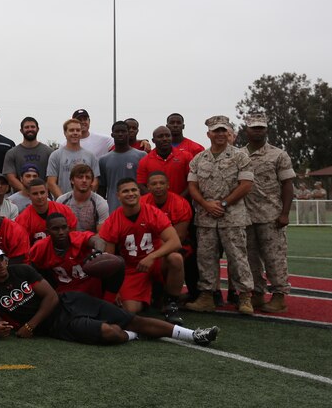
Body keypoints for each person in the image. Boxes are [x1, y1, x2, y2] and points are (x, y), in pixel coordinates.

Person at [0, 245, 218, 347]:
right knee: (111, 332)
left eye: (1, 258)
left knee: (131, 318)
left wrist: (30, 325)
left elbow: (50, 297)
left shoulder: (21, 270)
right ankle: (134, 336)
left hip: (69, 301)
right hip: (59, 325)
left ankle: (193, 335)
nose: (1, 264)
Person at [184, 115, 255, 315]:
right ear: (209, 134)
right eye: (216, 131)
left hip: (232, 217)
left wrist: (223, 203)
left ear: (229, 132)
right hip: (206, 219)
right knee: (206, 258)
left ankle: (244, 297)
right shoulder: (199, 159)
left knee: (238, 258)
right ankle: (207, 296)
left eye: (224, 130)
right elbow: (192, 186)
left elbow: (246, 185)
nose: (220, 134)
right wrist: (206, 204)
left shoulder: (240, 156)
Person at [100, 178, 186, 322]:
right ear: (118, 196)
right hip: (133, 269)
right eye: (125, 191)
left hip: (155, 262)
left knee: (176, 258)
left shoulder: (153, 213)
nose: (130, 194)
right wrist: (116, 289)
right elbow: (110, 259)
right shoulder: (113, 220)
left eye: (133, 190)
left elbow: (175, 242)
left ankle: (171, 303)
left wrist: (152, 257)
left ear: (139, 193)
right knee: (129, 310)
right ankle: (153, 294)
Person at [243, 113, 296, 313]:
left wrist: (285, 213)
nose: (257, 130)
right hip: (245, 216)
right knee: (250, 258)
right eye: (254, 127)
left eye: (261, 127)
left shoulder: (278, 155)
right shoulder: (239, 155)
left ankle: (279, 295)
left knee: (274, 257)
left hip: (271, 216)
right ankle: (257, 293)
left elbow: (288, 185)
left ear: (266, 130)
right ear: (246, 130)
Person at [28, 213, 122, 299]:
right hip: (66, 296)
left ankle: (109, 301)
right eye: (55, 229)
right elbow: (32, 271)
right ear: (47, 232)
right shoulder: (40, 248)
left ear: (68, 228)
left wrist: (98, 251)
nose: (61, 232)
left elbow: (98, 241)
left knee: (119, 262)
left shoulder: (78, 238)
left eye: (64, 227)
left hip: (92, 292)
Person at [141, 170, 196, 299]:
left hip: (173, 245)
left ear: (168, 185)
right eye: (154, 184)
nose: (158, 186)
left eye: (162, 183)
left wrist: (155, 254)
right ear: (148, 187)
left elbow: (179, 237)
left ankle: (171, 299)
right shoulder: (141, 203)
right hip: (147, 244)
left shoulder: (180, 203)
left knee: (174, 258)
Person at [98, 120, 146, 213]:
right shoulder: (103, 160)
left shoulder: (141, 156)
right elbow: (102, 188)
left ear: (128, 133)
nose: (120, 134)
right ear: (112, 134)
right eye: (117, 132)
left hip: (138, 208)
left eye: (123, 131)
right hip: (113, 209)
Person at [46, 118, 100, 197]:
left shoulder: (90, 156)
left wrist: (84, 199)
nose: (75, 133)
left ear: (81, 133)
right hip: (63, 205)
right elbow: (51, 183)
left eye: (78, 130)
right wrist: (64, 202)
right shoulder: (55, 155)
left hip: (85, 204)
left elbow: (95, 181)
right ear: (65, 133)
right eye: (71, 130)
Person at [15, 179, 78, 244]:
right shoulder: (23, 219)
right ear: (29, 196)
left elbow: (73, 235)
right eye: (35, 194)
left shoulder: (63, 210)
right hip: (37, 253)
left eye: (42, 192)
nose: (39, 197)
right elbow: (22, 245)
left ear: (47, 193)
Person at [136, 126, 193, 198]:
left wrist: (179, 200)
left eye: (167, 136)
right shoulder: (144, 161)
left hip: (182, 204)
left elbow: (192, 182)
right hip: (154, 206)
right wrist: (156, 200)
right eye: (160, 136)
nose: (165, 139)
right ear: (153, 140)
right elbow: (141, 185)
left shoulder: (186, 156)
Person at [2, 117, 53, 194]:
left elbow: (52, 178)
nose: (30, 129)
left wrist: (40, 192)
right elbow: (10, 178)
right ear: (21, 130)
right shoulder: (12, 153)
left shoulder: (49, 152)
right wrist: (27, 192)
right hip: (19, 198)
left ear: (38, 129)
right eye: (26, 127)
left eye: (32, 127)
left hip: (44, 197)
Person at [55, 164, 109, 233]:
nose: (84, 180)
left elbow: (102, 234)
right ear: (72, 180)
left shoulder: (100, 203)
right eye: (80, 177)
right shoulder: (61, 201)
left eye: (88, 177)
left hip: (91, 241)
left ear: (92, 182)